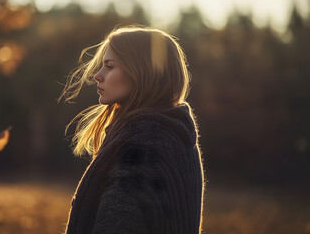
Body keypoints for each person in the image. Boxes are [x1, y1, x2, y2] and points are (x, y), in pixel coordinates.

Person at [58, 25, 206, 234]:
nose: (97, 76)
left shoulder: (142, 145)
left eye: (109, 66)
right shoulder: (176, 133)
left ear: (141, 72)